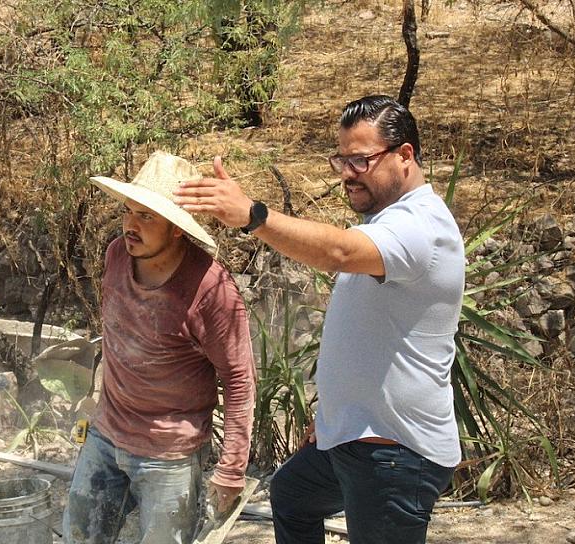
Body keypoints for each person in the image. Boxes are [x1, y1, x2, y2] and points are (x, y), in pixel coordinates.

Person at [174, 95, 465, 544]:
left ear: (405, 155)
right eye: (342, 160)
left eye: (362, 160)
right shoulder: (386, 224)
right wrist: (335, 413)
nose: (348, 173)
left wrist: (254, 216)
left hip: (393, 452)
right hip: (355, 437)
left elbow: (337, 251)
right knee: (292, 495)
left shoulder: (421, 227)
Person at [63, 151, 257, 544]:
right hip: (106, 434)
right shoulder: (117, 255)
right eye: (129, 211)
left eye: (147, 216)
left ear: (177, 229)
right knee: (79, 537)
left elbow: (238, 378)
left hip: (169, 454)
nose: (131, 225)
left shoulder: (211, 289)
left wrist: (232, 468)